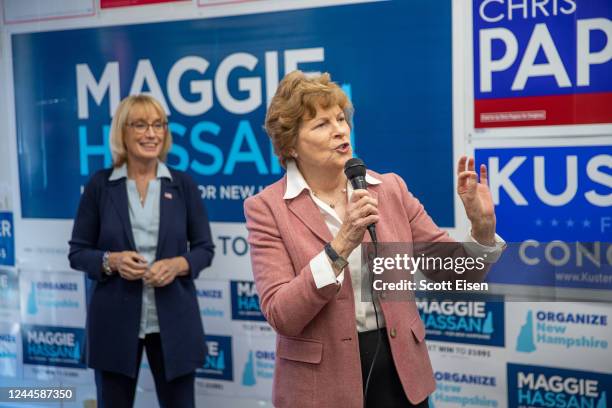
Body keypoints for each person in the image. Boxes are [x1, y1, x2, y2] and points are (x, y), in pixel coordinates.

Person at [243, 71, 505, 408]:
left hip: (400, 375)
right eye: (321, 124)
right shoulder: (267, 208)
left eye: (340, 118)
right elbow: (282, 314)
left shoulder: (389, 188)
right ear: (290, 144)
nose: (340, 129)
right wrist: (341, 244)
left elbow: (455, 273)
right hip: (320, 387)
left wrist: (481, 228)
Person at [68, 94, 214, 408]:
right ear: (123, 131)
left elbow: (204, 249)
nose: (151, 133)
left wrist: (177, 264)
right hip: (113, 322)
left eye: (158, 125)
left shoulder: (183, 184)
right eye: (140, 125)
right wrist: (111, 261)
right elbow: (78, 252)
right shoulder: (100, 185)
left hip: (173, 321)